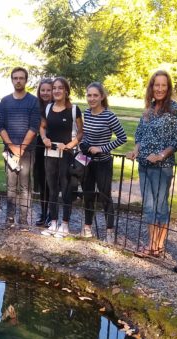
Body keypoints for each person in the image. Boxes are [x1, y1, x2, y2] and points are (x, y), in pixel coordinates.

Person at [127, 71, 177, 256]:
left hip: (162, 168)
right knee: (149, 206)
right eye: (156, 85)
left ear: (168, 88)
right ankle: (152, 244)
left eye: (163, 85)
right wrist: (136, 150)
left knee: (160, 206)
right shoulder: (148, 109)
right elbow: (140, 136)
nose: (159, 89)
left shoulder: (175, 110)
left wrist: (161, 155)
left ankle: (158, 246)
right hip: (144, 165)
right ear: (151, 87)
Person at [80, 82, 127, 240]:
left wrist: (102, 148)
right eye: (89, 95)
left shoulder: (109, 116)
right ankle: (87, 227)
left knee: (105, 196)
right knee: (88, 194)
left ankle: (109, 231)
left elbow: (122, 138)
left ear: (101, 97)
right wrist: (84, 144)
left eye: (95, 95)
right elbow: (84, 135)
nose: (92, 98)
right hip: (87, 161)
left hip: (103, 163)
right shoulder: (86, 113)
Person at [39, 77, 83, 238]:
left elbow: (80, 132)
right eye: (54, 88)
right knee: (52, 189)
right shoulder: (48, 108)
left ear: (66, 91)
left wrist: (70, 145)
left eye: (60, 88)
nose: (56, 91)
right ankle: (53, 223)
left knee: (65, 189)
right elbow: (42, 127)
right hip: (50, 153)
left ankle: (65, 224)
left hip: (67, 154)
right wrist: (44, 139)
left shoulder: (74, 109)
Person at [0, 67, 41, 227]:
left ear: (26, 80)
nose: (18, 80)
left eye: (21, 78)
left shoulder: (33, 101)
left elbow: (34, 126)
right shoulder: (5, 101)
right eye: (15, 78)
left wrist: (21, 149)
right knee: (10, 186)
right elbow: (0, 125)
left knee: (25, 187)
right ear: (12, 80)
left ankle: (23, 220)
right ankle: (10, 219)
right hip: (9, 151)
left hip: (27, 151)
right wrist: (11, 146)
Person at [33, 79, 53, 226]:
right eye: (43, 90)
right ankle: (43, 211)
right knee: (42, 180)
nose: (45, 93)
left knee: (51, 182)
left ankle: (52, 214)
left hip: (53, 146)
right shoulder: (36, 106)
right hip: (39, 147)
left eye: (48, 90)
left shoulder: (58, 107)